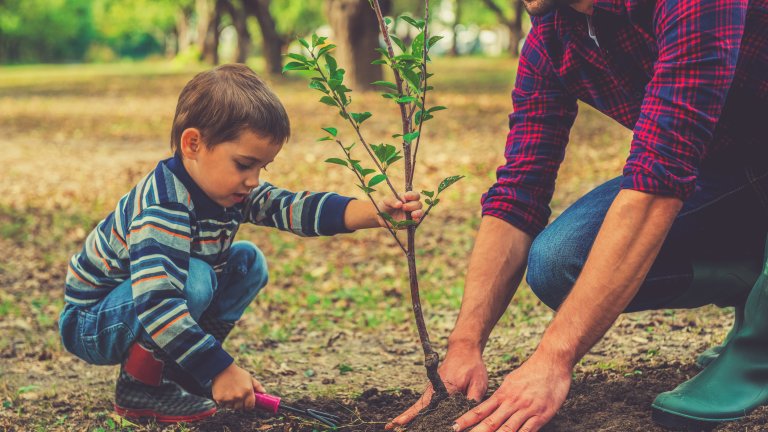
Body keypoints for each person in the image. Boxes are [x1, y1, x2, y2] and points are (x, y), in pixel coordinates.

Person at [388, 0, 768, 430]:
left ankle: (760, 347)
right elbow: (519, 190)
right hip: (727, 166)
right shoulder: (555, 33)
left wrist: (553, 359)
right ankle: (754, 286)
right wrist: (465, 344)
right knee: (560, 261)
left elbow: (658, 180)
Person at [58, 64, 422, 423]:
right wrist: (221, 370)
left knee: (248, 261)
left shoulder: (228, 190)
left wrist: (373, 212)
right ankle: (142, 387)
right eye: (245, 164)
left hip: (141, 306)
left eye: (262, 168)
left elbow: (291, 206)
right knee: (195, 278)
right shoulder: (163, 207)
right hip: (93, 321)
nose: (253, 180)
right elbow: (156, 303)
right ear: (193, 144)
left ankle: (184, 372)